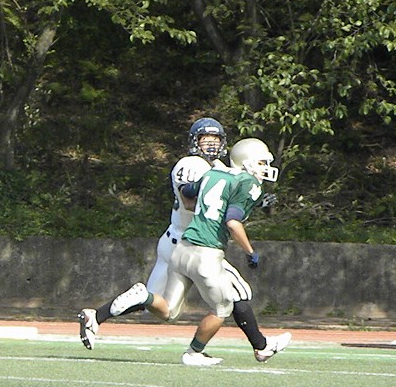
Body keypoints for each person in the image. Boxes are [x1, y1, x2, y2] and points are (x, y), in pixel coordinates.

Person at [78, 121, 290, 364]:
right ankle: (260, 346)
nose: (211, 145)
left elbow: (221, 193)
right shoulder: (190, 165)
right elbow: (191, 202)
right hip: (195, 241)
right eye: (205, 139)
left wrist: (251, 201)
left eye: (215, 140)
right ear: (194, 141)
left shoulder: (217, 168)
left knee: (160, 306)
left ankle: (96, 316)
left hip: (179, 242)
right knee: (236, 294)